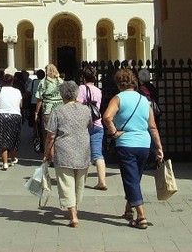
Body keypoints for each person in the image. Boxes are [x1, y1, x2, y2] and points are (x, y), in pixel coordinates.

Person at [102, 67, 164, 230]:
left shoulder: (118, 98)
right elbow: (153, 127)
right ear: (134, 82)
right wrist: (159, 147)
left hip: (126, 143)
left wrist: (114, 133)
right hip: (144, 144)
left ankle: (141, 216)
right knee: (135, 178)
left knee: (130, 179)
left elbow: (107, 117)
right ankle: (128, 209)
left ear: (118, 83)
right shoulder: (144, 100)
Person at [43, 80, 92, 228]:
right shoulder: (85, 110)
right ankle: (75, 207)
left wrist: (47, 153)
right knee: (79, 183)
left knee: (66, 183)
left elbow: (51, 135)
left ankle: (73, 215)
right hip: (83, 150)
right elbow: (89, 125)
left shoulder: (58, 111)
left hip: (64, 150)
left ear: (62, 95)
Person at [76, 66, 107, 190]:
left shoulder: (81, 88)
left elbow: (77, 105)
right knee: (98, 154)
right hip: (97, 124)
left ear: (83, 77)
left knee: (83, 154)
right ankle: (102, 181)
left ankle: (81, 180)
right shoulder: (98, 90)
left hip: (84, 125)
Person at [0, 73, 23, 170]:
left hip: (2, 116)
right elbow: (21, 104)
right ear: (12, 81)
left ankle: (5, 163)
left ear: (2, 81)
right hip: (15, 116)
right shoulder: (17, 91)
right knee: (13, 138)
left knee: (3, 138)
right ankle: (13, 158)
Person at [34, 63, 64, 152]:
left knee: (48, 135)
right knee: (59, 134)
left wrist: (36, 112)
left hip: (48, 110)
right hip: (60, 109)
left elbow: (39, 99)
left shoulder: (43, 82)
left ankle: (50, 158)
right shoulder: (61, 81)